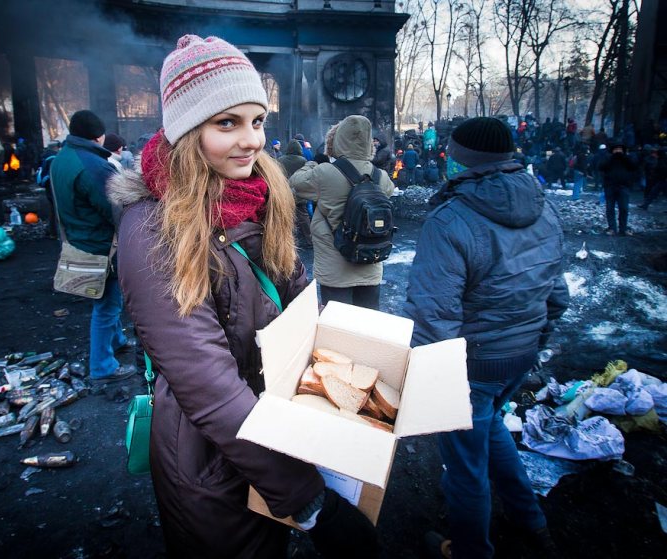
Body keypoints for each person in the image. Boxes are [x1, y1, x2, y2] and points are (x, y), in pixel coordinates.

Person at [110, 34, 377, 557]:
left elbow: (300, 303)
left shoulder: (262, 196)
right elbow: (206, 385)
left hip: (276, 433)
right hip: (212, 463)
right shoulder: (153, 227)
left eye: (257, 120)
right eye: (226, 123)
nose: (251, 140)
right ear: (186, 132)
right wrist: (309, 500)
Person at [403, 117, 568, 559]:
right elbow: (558, 294)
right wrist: (533, 343)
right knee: (491, 426)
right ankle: (528, 518)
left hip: (473, 364)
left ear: (461, 160)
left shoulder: (451, 217)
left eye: (450, 155)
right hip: (520, 353)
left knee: (464, 466)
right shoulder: (546, 206)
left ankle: (472, 549)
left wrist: (431, 381)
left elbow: (433, 314)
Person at [50, 110, 136, 388]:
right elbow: (115, 207)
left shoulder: (61, 158)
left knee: (108, 298)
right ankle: (102, 366)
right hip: (102, 245)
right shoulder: (95, 166)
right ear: (97, 135)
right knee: (107, 303)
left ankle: (118, 341)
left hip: (79, 238)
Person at [290, 114, 395, 310]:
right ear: (368, 142)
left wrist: (314, 163)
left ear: (339, 139)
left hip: (335, 269)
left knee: (338, 327)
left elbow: (296, 182)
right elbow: (389, 190)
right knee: (368, 325)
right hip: (370, 262)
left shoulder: (326, 173)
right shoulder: (379, 176)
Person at [600, 142, 639, 236]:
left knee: (624, 208)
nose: (618, 151)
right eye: (616, 149)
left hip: (623, 186)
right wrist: (612, 158)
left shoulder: (627, 159)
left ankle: (623, 228)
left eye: (620, 149)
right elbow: (601, 166)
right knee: (610, 208)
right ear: (612, 150)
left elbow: (634, 167)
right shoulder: (608, 158)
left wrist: (624, 158)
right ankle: (612, 228)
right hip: (610, 186)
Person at [36, 140, 61, 238]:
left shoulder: (45, 156)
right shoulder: (53, 158)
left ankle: (52, 232)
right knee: (57, 210)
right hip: (53, 186)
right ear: (56, 147)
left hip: (47, 186)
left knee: (52, 209)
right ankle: (56, 233)